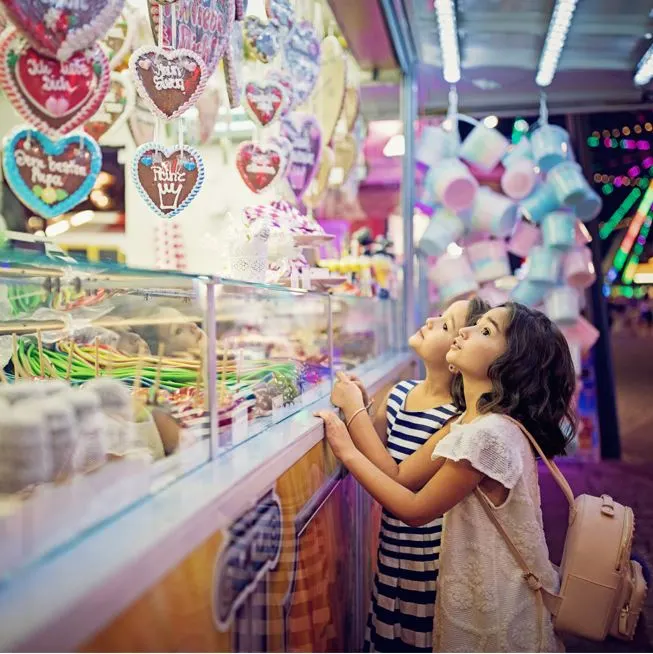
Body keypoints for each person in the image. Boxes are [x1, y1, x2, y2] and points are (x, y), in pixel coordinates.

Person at [318, 303, 576, 652]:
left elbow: (414, 509)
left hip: (493, 605)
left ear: (512, 366)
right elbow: (402, 475)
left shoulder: (486, 434)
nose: (463, 332)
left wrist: (347, 449)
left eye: (485, 331)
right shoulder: (471, 423)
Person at [343, 297, 489, 653]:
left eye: (444, 324)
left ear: (457, 355)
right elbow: (377, 450)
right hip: (390, 549)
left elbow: (399, 476)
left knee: (418, 638)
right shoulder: (399, 393)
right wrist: (362, 408)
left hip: (428, 561)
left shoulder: (455, 419)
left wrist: (351, 414)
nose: (430, 319)